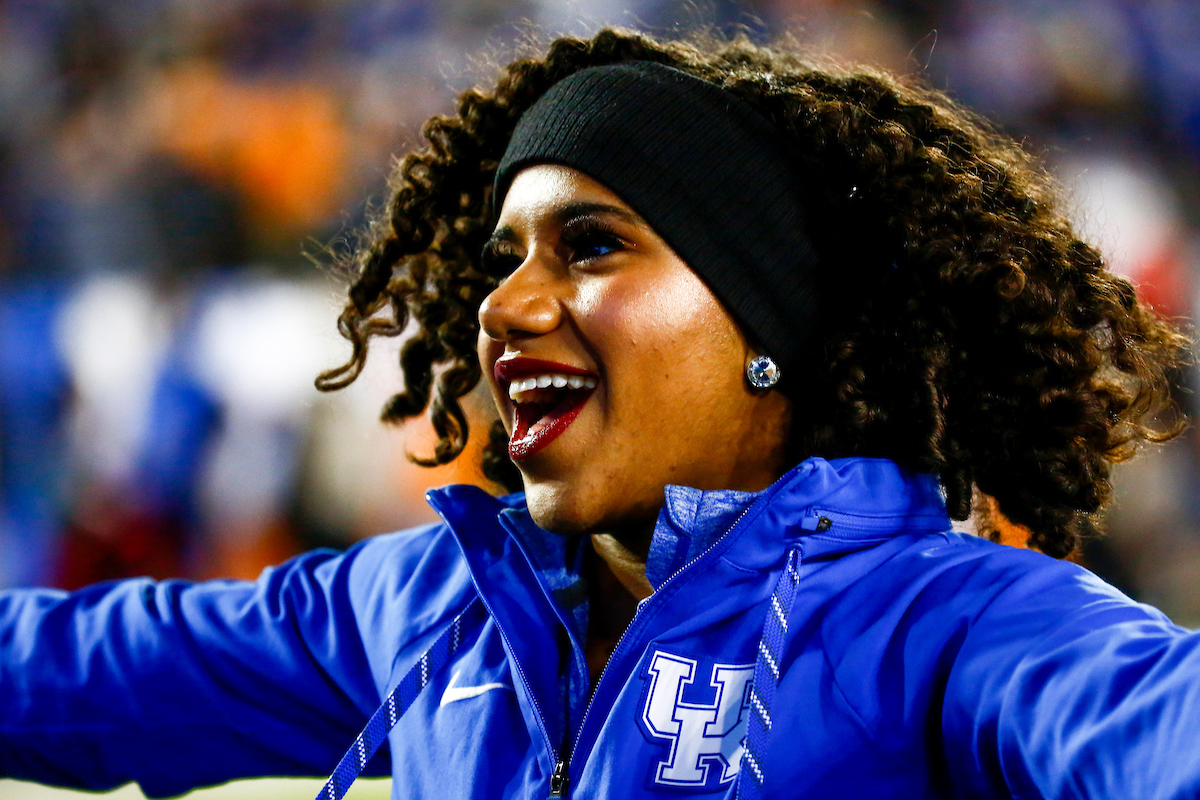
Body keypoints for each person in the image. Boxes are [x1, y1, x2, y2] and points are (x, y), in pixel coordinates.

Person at [2, 27, 1198, 800]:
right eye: (500, 258)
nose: (505, 307)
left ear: (763, 335)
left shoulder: (942, 621)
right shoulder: (424, 607)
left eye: (588, 247)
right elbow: (72, 675)